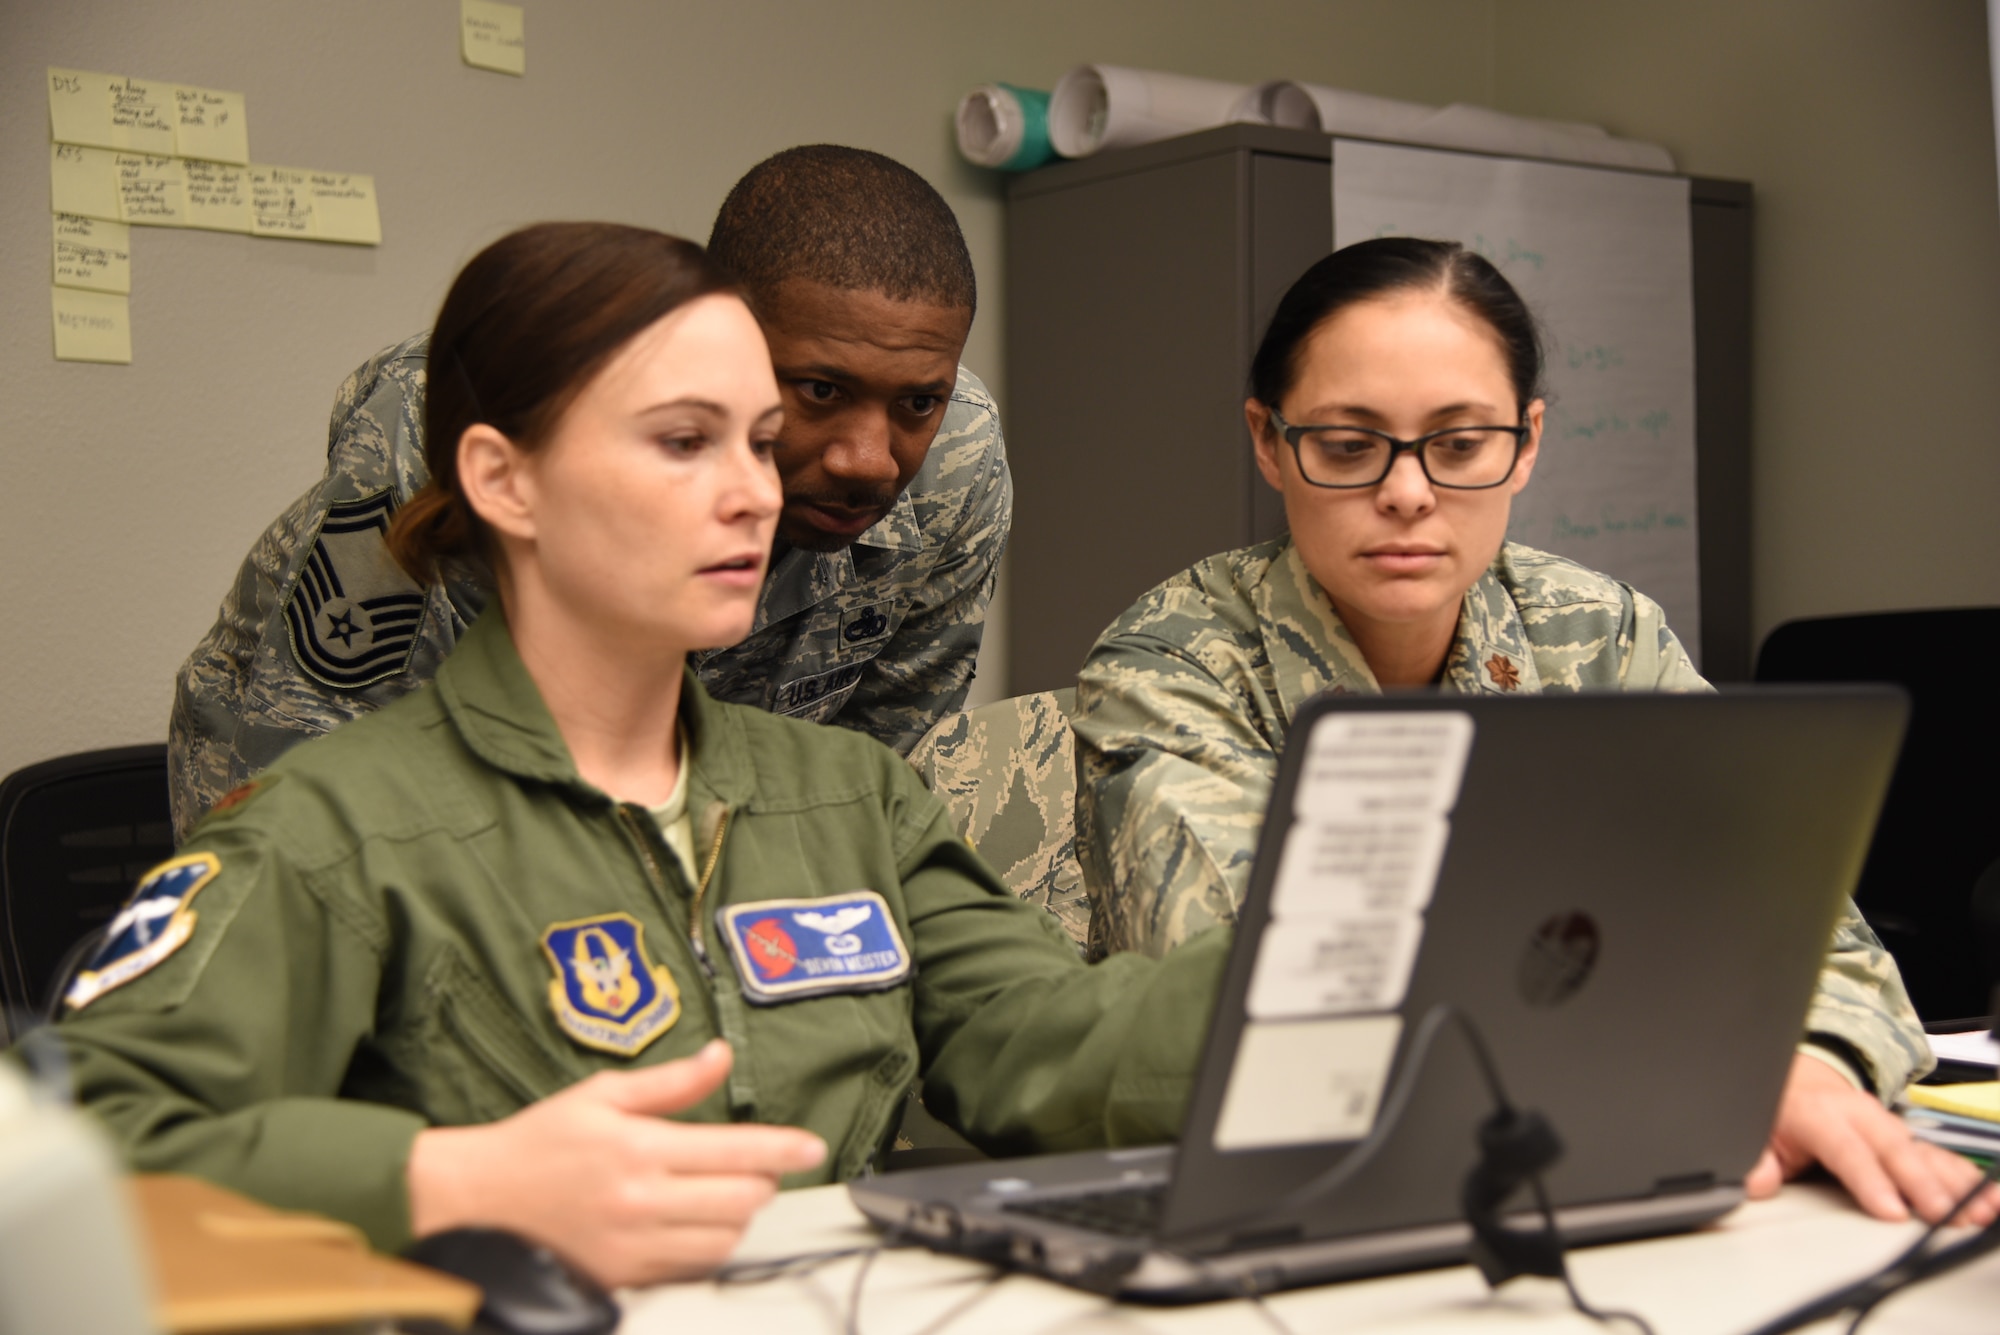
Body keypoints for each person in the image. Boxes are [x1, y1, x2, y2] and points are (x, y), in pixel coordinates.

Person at [49, 224, 1222, 1287]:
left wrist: (1299, 989)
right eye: (681, 443)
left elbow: (1040, 1043)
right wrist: (454, 1184)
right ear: (503, 478)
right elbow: (85, 1150)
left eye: (760, 444)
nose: (752, 494)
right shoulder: (335, 828)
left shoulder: (851, 796)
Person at [1072, 237, 1998, 1228]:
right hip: (1288, 1206)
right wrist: (1705, 1053)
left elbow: (1812, 938)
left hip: (1613, 1180)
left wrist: (1805, 1067)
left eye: (1460, 444)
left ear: (1527, 442)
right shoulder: (1168, 665)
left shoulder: (1599, 633)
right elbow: (1293, 1014)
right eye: (1347, 446)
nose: (1408, 493)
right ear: (1267, 440)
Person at [167, 145, 1010, 840]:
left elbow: (869, 786)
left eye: (915, 403)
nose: (870, 459)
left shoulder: (958, 458)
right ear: (717, 332)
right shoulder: (478, 428)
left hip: (687, 812)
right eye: (820, 390)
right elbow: (316, 775)